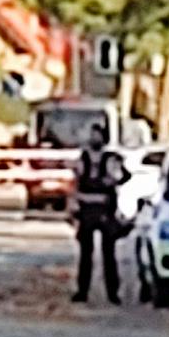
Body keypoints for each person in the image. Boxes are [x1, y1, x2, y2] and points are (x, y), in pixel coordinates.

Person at [70, 128, 125, 304]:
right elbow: (76, 182)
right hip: (86, 210)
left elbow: (122, 176)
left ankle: (113, 292)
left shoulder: (111, 159)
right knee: (86, 254)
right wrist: (73, 208)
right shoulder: (83, 158)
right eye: (92, 135)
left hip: (105, 210)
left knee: (109, 254)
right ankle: (82, 291)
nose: (94, 138)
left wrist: (113, 179)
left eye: (97, 135)